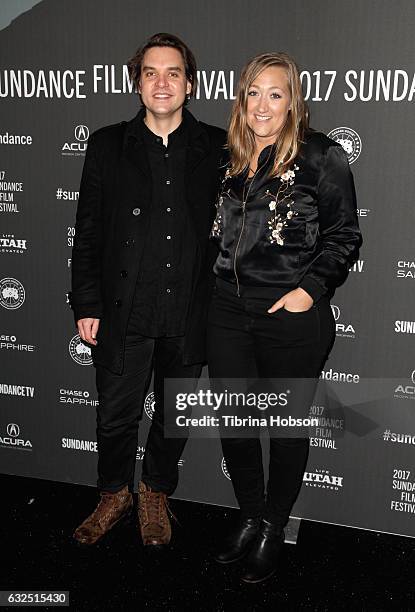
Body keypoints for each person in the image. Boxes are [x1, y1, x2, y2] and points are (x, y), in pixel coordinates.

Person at [207, 52, 362, 583]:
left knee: (285, 428)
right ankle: (250, 515)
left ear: (293, 100)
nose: (263, 104)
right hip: (227, 313)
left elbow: (345, 235)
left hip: (290, 318)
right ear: (242, 100)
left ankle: (275, 525)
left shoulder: (322, 156)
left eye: (275, 93)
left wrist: (309, 290)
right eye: (253, 92)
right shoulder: (227, 156)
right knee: (237, 423)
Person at [69, 33, 226, 547]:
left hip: (189, 311)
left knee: (175, 412)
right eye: (151, 72)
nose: (162, 83)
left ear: (190, 84)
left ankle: (156, 490)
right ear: (137, 83)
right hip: (123, 311)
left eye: (173, 73)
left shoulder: (219, 147)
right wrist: (87, 303)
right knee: (116, 414)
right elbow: (88, 230)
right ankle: (113, 492)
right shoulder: (107, 144)